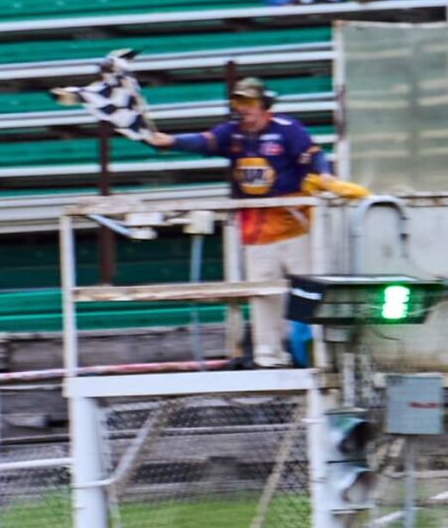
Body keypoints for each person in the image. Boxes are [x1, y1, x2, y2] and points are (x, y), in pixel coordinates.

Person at [147, 77, 368, 368]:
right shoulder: (232, 134)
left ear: (264, 106)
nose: (244, 110)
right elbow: (205, 141)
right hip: (256, 231)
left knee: (309, 290)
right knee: (263, 293)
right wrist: (169, 141)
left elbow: (313, 156)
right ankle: (268, 355)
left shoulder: (288, 130)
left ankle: (319, 354)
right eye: (240, 103)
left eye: (250, 103)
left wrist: (325, 176)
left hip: (296, 227)